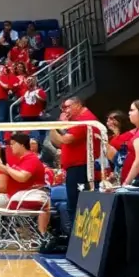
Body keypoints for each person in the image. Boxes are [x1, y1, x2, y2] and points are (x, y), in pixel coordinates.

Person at [49, 96, 100, 233]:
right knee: (74, 204)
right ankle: (76, 237)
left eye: (67, 107)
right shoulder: (75, 121)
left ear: (77, 105)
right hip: (74, 167)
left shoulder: (84, 120)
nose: (65, 111)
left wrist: (60, 125)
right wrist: (57, 127)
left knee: (76, 205)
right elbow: (57, 142)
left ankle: (77, 238)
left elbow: (66, 139)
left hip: (80, 167)